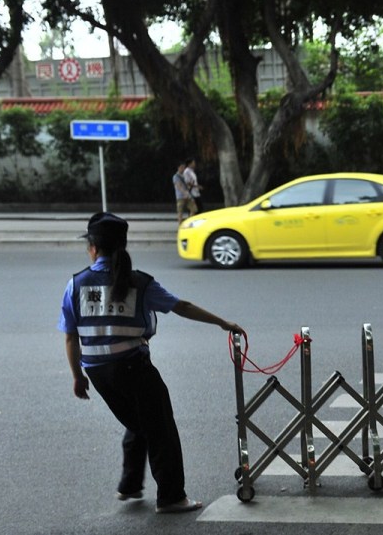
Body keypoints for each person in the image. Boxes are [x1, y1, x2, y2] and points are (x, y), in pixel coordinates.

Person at [58, 212, 244, 514]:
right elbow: (181, 306)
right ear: (123, 245)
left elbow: (70, 336)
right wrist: (223, 323)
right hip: (133, 368)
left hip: (99, 374)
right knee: (161, 430)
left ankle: (130, 485)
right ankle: (171, 497)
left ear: (93, 247)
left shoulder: (76, 284)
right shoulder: (140, 283)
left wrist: (77, 377)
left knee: (137, 422)